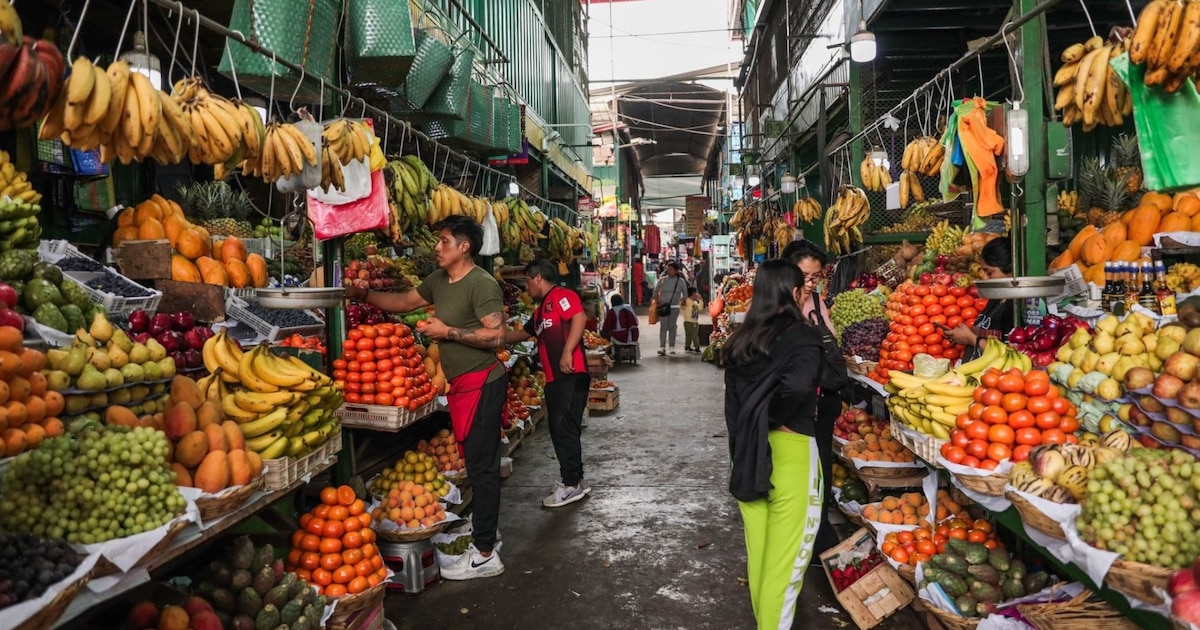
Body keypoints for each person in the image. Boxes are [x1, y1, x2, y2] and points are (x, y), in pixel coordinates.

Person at [343, 215, 507, 580]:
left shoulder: (481, 284)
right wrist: (363, 295)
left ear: (464, 246)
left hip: (483, 384)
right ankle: (486, 530)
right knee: (475, 463)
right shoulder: (439, 280)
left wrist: (446, 331)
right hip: (462, 386)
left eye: (445, 241)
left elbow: (497, 336)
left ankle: (484, 554)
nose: (437, 247)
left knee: (482, 467)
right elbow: (404, 301)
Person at [723, 259, 826, 630]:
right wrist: (775, 418)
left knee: (762, 562)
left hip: (747, 457)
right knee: (784, 569)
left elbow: (732, 410)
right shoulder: (804, 337)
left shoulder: (739, 342)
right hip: (791, 455)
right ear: (795, 293)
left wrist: (751, 433)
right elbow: (797, 387)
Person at [502, 260, 592, 507]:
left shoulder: (562, 296)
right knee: (564, 429)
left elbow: (579, 317)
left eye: (527, 281)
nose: (526, 287)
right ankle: (576, 480)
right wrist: (496, 337)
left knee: (563, 430)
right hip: (556, 378)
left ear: (538, 278)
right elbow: (523, 333)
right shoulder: (541, 310)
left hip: (570, 374)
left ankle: (571, 485)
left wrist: (567, 351)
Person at [781, 239, 841, 556]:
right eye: (804, 276)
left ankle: (818, 533)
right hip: (792, 405)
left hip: (823, 400)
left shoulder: (818, 302)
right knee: (796, 472)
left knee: (822, 467)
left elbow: (832, 343)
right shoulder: (775, 306)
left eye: (816, 276)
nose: (810, 283)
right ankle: (796, 533)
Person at [946, 237, 1015, 360]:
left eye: (989, 272)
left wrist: (970, 339)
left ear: (1010, 270)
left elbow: (1008, 354)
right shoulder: (996, 298)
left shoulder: (1016, 307)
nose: (985, 278)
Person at [654, 262, 688, 355]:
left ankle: (672, 346)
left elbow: (685, 294)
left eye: (671, 269)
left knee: (672, 327)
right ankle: (662, 346)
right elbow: (655, 291)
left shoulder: (681, 281)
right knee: (663, 326)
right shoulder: (662, 280)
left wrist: (681, 301)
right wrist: (657, 301)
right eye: (668, 269)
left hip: (674, 307)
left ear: (676, 271)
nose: (669, 271)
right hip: (663, 307)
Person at [681, 286, 704, 353]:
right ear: (692, 294)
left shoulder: (695, 303)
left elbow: (700, 308)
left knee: (693, 335)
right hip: (688, 321)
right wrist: (683, 301)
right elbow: (682, 306)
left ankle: (688, 347)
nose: (696, 295)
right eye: (695, 293)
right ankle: (696, 347)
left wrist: (700, 300)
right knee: (691, 335)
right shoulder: (687, 301)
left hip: (694, 321)